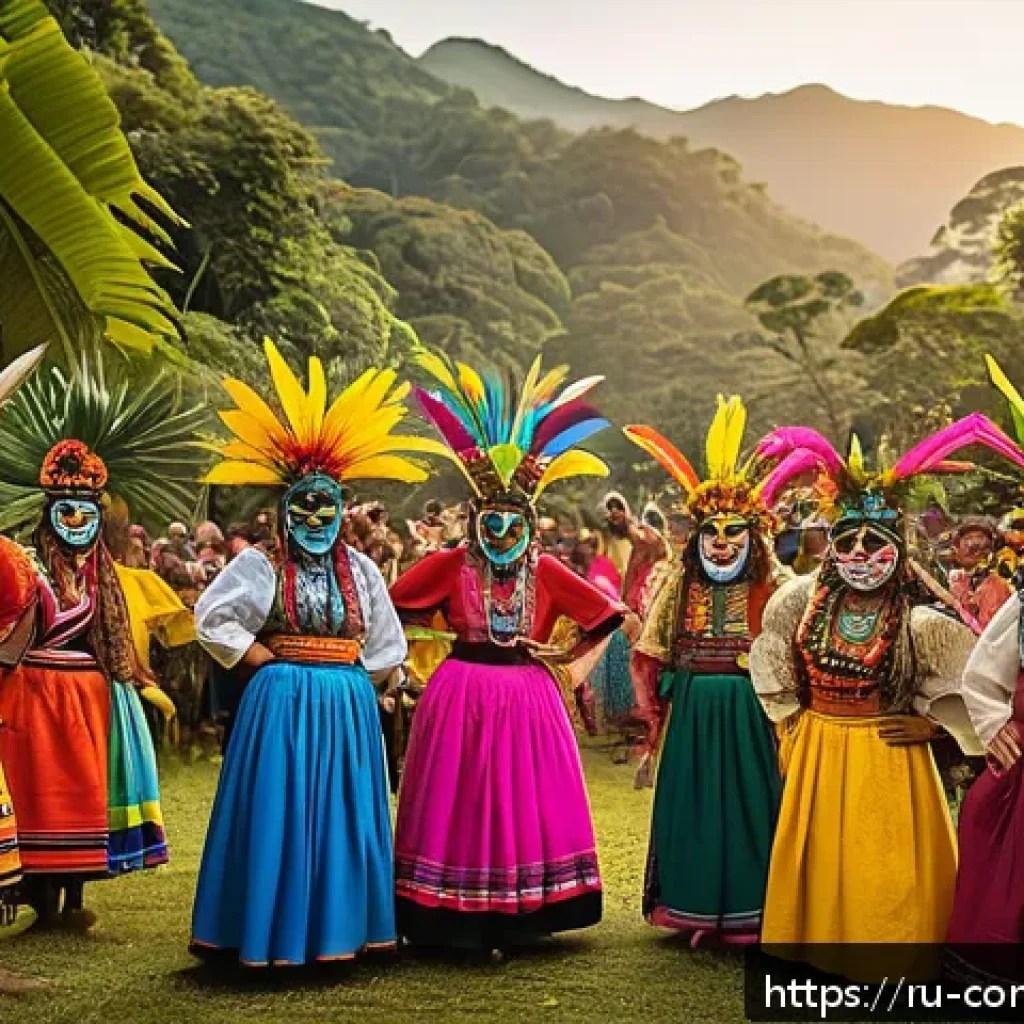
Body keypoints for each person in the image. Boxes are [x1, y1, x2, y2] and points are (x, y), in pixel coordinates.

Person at [189, 340, 435, 967]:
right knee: (278, 815)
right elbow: (211, 616)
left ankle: (342, 934)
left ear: (344, 508)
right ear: (283, 509)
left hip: (346, 707)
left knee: (342, 822)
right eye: (305, 505)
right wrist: (258, 661)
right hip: (280, 702)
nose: (317, 515)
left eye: (328, 504)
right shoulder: (258, 564)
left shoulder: (361, 568)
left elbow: (386, 643)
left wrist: (366, 685)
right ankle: (272, 933)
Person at [750, 416, 1024, 978]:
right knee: (822, 860)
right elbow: (775, 663)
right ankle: (818, 949)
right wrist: (790, 725)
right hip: (819, 751)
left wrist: (934, 729)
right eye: (845, 540)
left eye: (874, 542)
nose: (858, 553)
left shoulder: (922, 620)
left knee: (888, 864)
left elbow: (972, 682)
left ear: (898, 550)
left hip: (890, 757)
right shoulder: (797, 603)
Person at [392, 351, 637, 954]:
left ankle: (520, 911)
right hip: (459, 693)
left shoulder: (549, 571)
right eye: (491, 526)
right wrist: (420, 651)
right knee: (460, 797)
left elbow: (610, 617)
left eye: (513, 526)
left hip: (529, 696)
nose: (501, 538)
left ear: (531, 525)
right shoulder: (449, 564)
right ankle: (450, 911)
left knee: (519, 799)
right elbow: (394, 608)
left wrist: (569, 663)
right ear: (475, 523)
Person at [0, 356, 205, 931]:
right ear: (49, 515)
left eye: (86, 512)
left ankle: (73, 898)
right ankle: (41, 901)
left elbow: (116, 637)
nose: (75, 521)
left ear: (98, 518)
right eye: (65, 511)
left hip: (87, 698)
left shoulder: (104, 578)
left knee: (84, 795)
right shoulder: (26, 566)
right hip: (33, 696)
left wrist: (129, 681)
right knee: (37, 794)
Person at [624, 397, 789, 945]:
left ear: (755, 535)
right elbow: (652, 651)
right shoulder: (679, 583)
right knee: (693, 805)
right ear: (694, 538)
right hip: (692, 709)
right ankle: (692, 909)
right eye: (711, 532)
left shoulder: (780, 586)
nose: (722, 542)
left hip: (751, 712)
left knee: (751, 806)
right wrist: (655, 713)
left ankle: (751, 910)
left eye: (734, 531)